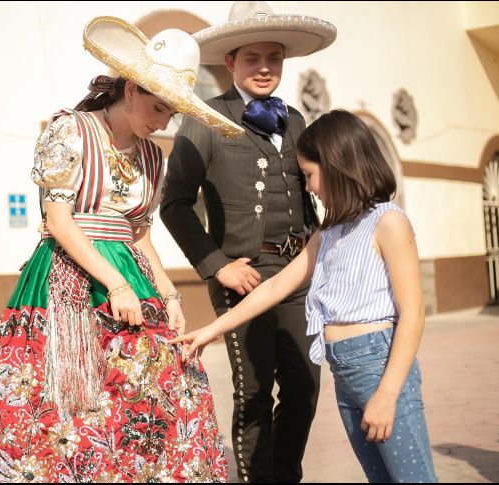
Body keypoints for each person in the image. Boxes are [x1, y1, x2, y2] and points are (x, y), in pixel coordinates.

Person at [0, 16, 243, 483]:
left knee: (151, 395)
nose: (162, 122)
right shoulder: (72, 130)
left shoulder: (152, 155)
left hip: (131, 275)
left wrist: (169, 294)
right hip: (69, 276)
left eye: (170, 114)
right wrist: (116, 283)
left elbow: (140, 234)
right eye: (157, 107)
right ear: (131, 89)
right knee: (57, 404)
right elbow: (59, 222)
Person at [172, 109, 439, 483]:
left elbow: (413, 313)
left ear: (337, 166)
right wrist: (211, 330)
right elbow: (275, 287)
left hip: (380, 367)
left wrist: (387, 393)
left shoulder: (388, 222)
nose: (309, 187)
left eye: (310, 175)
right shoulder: (329, 232)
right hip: (345, 373)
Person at [160, 2, 336, 481]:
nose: (264, 67)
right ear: (231, 62)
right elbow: (174, 204)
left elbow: (309, 192)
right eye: (252, 58)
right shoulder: (205, 117)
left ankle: (285, 475)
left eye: (273, 58)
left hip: (297, 273)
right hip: (243, 273)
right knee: (254, 393)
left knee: (304, 388)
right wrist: (218, 266)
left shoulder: (295, 119)